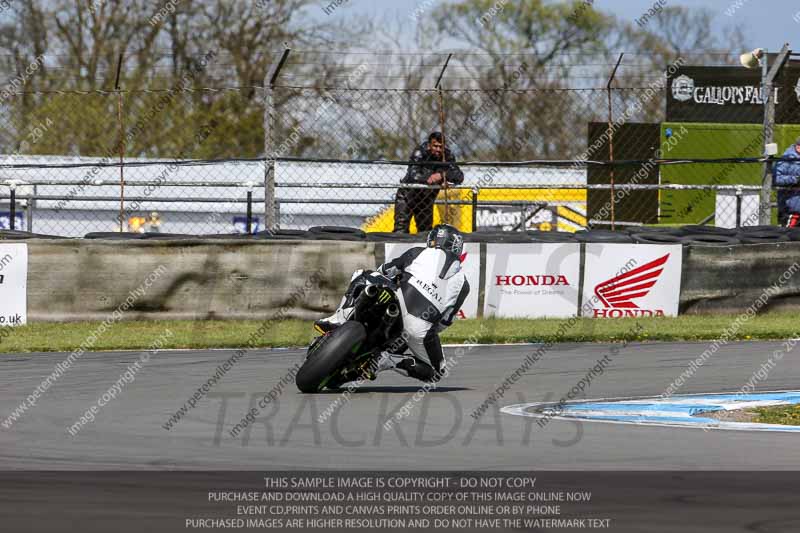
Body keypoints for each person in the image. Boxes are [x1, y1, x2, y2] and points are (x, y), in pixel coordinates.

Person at [315, 224, 470, 383]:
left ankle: (339, 318)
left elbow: (384, 271)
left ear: (431, 240)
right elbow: (444, 322)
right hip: (418, 328)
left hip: (399, 298)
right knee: (437, 372)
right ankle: (388, 360)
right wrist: (424, 333)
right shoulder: (464, 284)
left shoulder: (417, 252)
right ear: (457, 248)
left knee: (363, 274)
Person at [393, 132, 464, 233]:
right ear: (429, 144)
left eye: (441, 147)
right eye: (435, 146)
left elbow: (459, 176)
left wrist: (441, 175)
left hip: (426, 199)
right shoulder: (419, 152)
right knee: (400, 229)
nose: (438, 149)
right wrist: (430, 178)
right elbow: (413, 174)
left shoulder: (447, 155)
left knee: (425, 232)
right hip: (407, 196)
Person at [774, 137, 800, 226]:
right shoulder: (786, 159)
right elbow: (776, 178)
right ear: (798, 148)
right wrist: (795, 179)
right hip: (791, 209)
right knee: (788, 236)